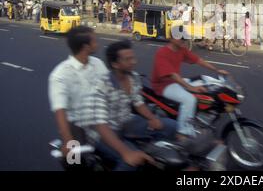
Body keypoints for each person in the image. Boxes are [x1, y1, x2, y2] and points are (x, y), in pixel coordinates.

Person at [83, 40, 177, 171]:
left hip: (127, 122)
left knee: (172, 126)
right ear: (115, 64)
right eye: (128, 59)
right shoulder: (102, 85)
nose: (134, 62)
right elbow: (100, 125)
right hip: (104, 132)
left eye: (133, 57)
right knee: (133, 161)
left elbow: (138, 102)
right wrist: (126, 153)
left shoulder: (133, 77)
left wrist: (152, 118)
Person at [151, 31, 229, 138]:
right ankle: (182, 132)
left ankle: (198, 118)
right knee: (189, 99)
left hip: (176, 81)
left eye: (183, 37)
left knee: (205, 83)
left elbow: (198, 60)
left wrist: (217, 70)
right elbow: (172, 75)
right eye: (180, 37)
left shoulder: (181, 50)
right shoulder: (162, 53)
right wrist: (191, 88)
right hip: (163, 85)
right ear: (172, 39)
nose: (183, 40)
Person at [48, 26, 109, 159]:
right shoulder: (61, 75)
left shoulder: (98, 64)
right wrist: (68, 140)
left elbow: (108, 90)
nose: (97, 43)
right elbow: (60, 111)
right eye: (94, 41)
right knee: (75, 162)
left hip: (103, 120)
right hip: (77, 127)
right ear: (85, 47)